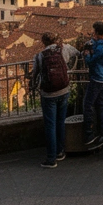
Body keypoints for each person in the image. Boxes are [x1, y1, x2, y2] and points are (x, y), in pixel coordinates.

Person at [32, 32, 79, 167]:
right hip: (64, 90)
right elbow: (77, 53)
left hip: (48, 94)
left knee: (50, 125)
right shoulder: (64, 49)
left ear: (44, 43)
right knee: (60, 122)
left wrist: (34, 85)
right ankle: (60, 151)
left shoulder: (40, 56)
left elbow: (35, 74)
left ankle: (51, 158)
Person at [81, 21, 103, 145]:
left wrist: (86, 55)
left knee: (87, 104)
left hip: (98, 78)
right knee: (101, 104)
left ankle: (89, 134)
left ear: (95, 31)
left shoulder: (101, 47)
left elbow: (91, 61)